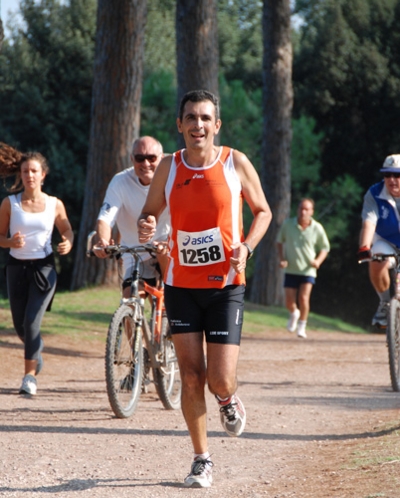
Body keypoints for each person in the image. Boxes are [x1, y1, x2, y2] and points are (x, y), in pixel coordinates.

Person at [137, 90, 272, 488]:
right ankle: (202, 459)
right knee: (191, 376)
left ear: (217, 125)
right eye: (190, 118)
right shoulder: (168, 166)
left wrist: (246, 247)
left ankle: (228, 400)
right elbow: (150, 213)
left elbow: (263, 211)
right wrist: (148, 228)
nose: (198, 125)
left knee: (218, 379)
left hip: (226, 286)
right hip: (180, 283)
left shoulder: (235, 163)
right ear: (180, 125)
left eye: (205, 118)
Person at [0, 142, 74, 395]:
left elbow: (66, 229)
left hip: (43, 269)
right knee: (21, 327)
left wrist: (68, 242)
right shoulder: (10, 204)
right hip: (15, 268)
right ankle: (36, 350)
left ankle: (29, 378)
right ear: (20, 175)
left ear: (43, 174)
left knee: (31, 323)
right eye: (25, 172)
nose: (29, 176)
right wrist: (9, 242)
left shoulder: (54, 204)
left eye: (34, 171)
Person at [94, 136, 170, 295]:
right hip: (136, 253)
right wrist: (103, 241)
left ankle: (165, 315)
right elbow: (105, 218)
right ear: (131, 159)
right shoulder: (120, 181)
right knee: (130, 297)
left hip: (168, 248)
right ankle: (129, 318)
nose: (146, 164)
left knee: (169, 302)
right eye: (139, 158)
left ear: (162, 158)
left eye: (152, 158)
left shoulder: (173, 178)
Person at [277, 198, 330, 339]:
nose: (303, 211)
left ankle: (302, 326)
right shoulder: (288, 225)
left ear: (312, 211)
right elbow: (279, 242)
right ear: (297, 209)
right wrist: (282, 259)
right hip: (291, 268)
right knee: (289, 301)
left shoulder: (317, 228)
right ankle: (294, 313)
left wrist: (318, 261)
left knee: (304, 298)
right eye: (301, 208)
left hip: (308, 269)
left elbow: (325, 247)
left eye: (307, 209)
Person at [358, 154, 400, 328]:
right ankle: (384, 303)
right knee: (376, 259)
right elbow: (369, 223)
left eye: (397, 175)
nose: (392, 179)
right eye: (387, 175)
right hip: (386, 239)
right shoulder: (374, 193)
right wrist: (364, 247)